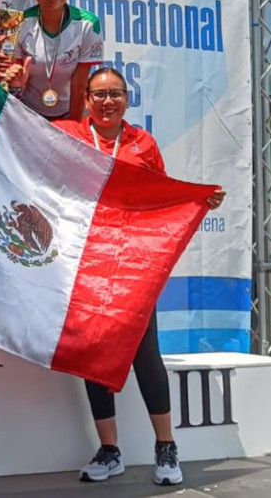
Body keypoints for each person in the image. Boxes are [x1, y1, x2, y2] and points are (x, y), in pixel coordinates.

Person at [52, 68, 226, 486]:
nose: (107, 101)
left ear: (127, 99)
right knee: (92, 354)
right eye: (99, 94)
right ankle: (110, 451)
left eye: (115, 93)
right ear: (87, 99)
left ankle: (166, 447)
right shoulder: (70, 134)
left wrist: (199, 199)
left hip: (132, 264)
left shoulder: (141, 143)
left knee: (145, 352)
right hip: (86, 263)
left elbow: (161, 196)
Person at [0, 0, 104, 121]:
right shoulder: (18, 23)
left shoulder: (88, 24)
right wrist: (14, 79)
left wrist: (73, 128)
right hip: (27, 114)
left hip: (71, 113)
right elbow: (14, 82)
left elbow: (80, 84)